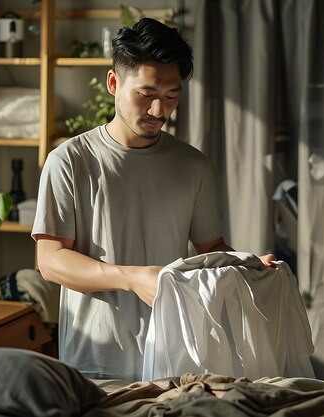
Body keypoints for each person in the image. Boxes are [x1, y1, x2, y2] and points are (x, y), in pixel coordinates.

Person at [32, 18, 275, 380]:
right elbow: (50, 262)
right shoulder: (69, 161)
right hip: (95, 364)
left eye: (171, 96)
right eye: (146, 95)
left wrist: (242, 265)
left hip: (176, 358)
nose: (159, 112)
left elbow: (211, 248)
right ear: (114, 83)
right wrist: (132, 279)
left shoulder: (193, 165)